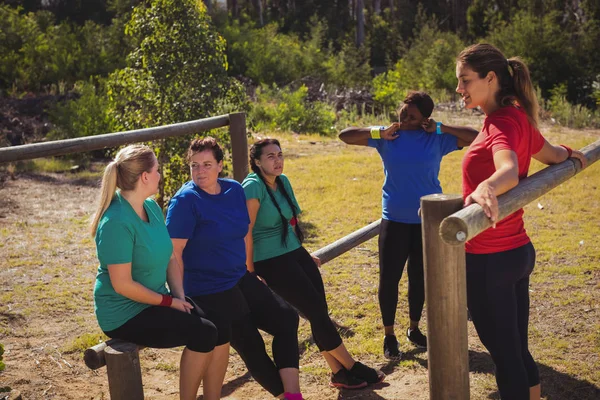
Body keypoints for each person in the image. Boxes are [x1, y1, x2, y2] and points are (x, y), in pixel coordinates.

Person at [455, 43, 587, 400]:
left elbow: (509, 171)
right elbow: (551, 154)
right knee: (517, 351)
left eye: (465, 80)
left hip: (489, 260)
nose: (459, 88)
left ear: (491, 78)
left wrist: (487, 186)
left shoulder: (501, 122)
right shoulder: (516, 117)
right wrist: (572, 156)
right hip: (516, 254)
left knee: (506, 358)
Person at [338, 92, 478, 359]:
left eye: (411, 116)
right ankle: (389, 334)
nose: (404, 119)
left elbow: (477, 137)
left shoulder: (436, 139)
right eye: (403, 112)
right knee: (389, 278)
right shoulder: (389, 137)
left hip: (427, 219)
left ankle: (414, 329)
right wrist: (378, 131)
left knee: (419, 277)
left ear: (425, 118)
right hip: (394, 219)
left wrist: (441, 127)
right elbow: (345, 136)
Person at [166, 137, 303, 400]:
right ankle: (286, 396)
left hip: (238, 276)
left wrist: (249, 271)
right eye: (194, 165)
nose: (200, 171)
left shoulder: (233, 190)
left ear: (220, 165)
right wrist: (180, 297)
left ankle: (293, 394)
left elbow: (244, 233)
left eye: (207, 164)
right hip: (207, 287)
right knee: (250, 342)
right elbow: (174, 254)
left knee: (287, 318)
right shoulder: (185, 201)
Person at [243, 138, 385, 390]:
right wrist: (251, 271)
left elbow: (291, 223)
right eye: (270, 157)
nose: (278, 160)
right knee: (316, 313)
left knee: (318, 311)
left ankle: (338, 373)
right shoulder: (253, 186)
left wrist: (303, 254)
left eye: (280, 154)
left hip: (293, 252)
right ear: (256, 162)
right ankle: (352, 366)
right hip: (269, 261)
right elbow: (246, 230)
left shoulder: (282, 182)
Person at [91, 144, 217, 400]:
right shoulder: (115, 222)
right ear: (145, 177)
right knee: (205, 332)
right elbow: (123, 285)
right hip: (124, 314)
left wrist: (179, 296)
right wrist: (169, 302)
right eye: (157, 170)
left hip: (157, 299)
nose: (160, 175)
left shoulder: (150, 207)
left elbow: (170, 256)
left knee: (218, 322)